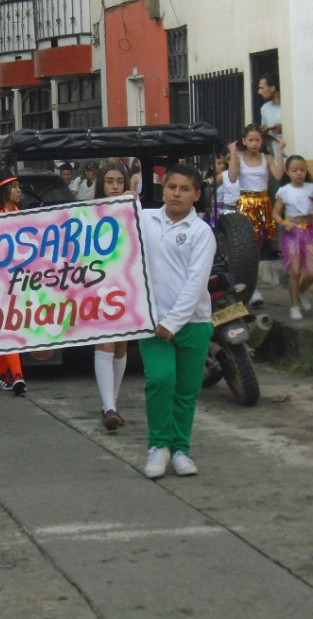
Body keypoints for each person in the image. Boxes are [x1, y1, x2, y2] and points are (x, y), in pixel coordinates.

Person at [139, 164, 215, 479]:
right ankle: (158, 447)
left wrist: (173, 322)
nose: (176, 194)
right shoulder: (143, 219)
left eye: (184, 189)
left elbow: (196, 283)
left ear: (196, 195)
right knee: (160, 381)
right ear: (163, 189)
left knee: (186, 390)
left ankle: (180, 449)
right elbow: (101, 226)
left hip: (192, 323)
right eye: (172, 187)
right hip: (151, 322)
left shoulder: (202, 232)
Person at [227, 124, 285, 305]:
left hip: (263, 204)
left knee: (257, 248)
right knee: (246, 247)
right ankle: (249, 288)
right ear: (244, 141)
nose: (254, 143)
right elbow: (232, 178)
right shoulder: (240, 157)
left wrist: (280, 152)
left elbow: (278, 174)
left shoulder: (266, 158)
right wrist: (233, 156)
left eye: (257, 140)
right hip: (246, 204)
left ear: (262, 141)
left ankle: (254, 289)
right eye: (250, 140)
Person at [93, 162, 132, 431]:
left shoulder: (135, 210)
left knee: (121, 346)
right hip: (98, 285)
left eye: (120, 181)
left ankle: (113, 403)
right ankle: (108, 407)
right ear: (101, 184)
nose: (115, 187)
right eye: (110, 181)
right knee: (105, 343)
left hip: (128, 285)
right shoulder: (89, 213)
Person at [0, 168, 27, 395]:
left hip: (21, 278)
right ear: (4, 191)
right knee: (8, 324)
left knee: (12, 325)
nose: (19, 190)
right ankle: (18, 376)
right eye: (14, 186)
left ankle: (0, 376)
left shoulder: (21, 212)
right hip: (0, 280)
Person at [272, 155, 313, 320]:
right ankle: (294, 305)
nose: (299, 173)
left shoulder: (311, 188)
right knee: (295, 271)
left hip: (310, 231)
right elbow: (275, 214)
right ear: (288, 172)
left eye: (302, 170)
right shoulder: (284, 191)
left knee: (311, 271)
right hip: (292, 233)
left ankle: (301, 292)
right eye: (295, 170)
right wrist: (283, 223)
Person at [257, 74, 283, 149]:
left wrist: (283, 129)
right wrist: (263, 132)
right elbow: (265, 141)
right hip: (276, 155)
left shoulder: (290, 106)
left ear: (272, 88)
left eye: (262, 88)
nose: (259, 92)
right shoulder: (265, 108)